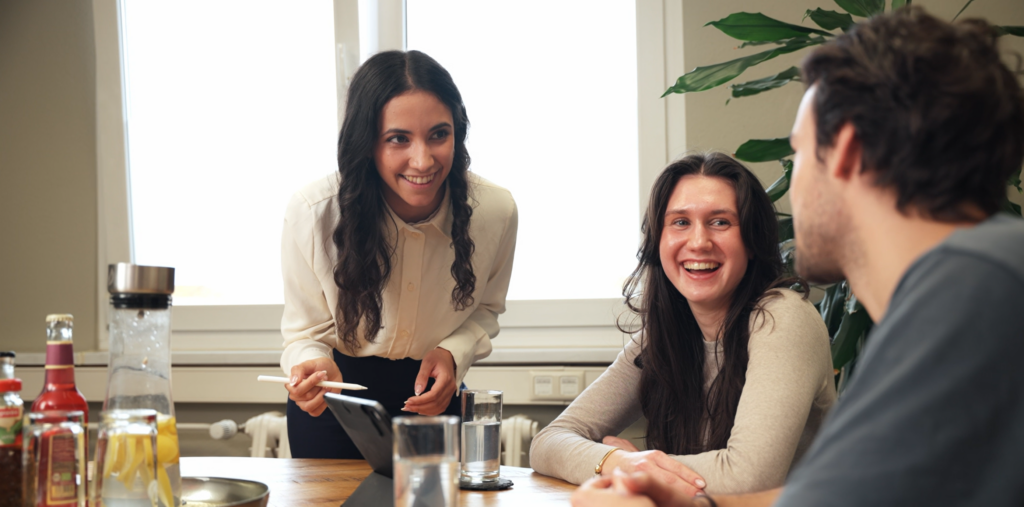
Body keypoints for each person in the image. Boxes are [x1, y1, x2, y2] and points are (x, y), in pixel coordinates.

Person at [571, 6, 1024, 507]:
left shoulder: (970, 289)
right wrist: (679, 496)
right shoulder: (971, 280)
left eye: (799, 151)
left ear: (845, 151)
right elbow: (842, 495)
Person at [530, 152, 836, 495]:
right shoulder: (664, 334)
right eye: (680, 222)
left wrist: (640, 472)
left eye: (720, 222)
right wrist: (622, 463)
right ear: (658, 241)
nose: (699, 242)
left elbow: (748, 477)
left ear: (751, 241)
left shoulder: (783, 317)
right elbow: (548, 442)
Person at [279, 50, 518, 459]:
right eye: (398, 139)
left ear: (458, 133)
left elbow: (486, 310)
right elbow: (305, 332)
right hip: (336, 400)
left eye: (439, 135)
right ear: (367, 142)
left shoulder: (495, 212)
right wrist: (310, 362)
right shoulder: (313, 212)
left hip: (433, 399)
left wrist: (453, 353)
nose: (423, 160)